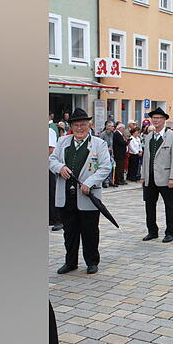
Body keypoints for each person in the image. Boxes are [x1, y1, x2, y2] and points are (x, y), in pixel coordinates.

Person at [49, 108, 112, 275]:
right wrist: (60, 167)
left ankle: (92, 262)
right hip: (66, 196)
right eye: (76, 125)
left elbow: (106, 167)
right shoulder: (63, 141)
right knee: (69, 232)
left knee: (90, 231)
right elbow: (51, 159)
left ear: (89, 125)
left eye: (83, 124)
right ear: (71, 126)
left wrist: (89, 183)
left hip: (87, 196)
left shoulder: (99, 144)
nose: (79, 128)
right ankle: (70, 262)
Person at [141, 108, 173, 242]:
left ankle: (170, 232)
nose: (156, 120)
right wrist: (143, 176)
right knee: (149, 206)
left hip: (166, 177)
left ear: (164, 120)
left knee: (169, 205)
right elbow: (146, 158)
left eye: (159, 118)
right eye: (154, 118)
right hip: (150, 177)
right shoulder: (148, 137)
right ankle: (152, 231)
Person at [49, 116, 63, 232]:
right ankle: (51, 217)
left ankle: (59, 219)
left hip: (49, 165)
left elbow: (51, 149)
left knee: (53, 192)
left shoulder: (49, 131)